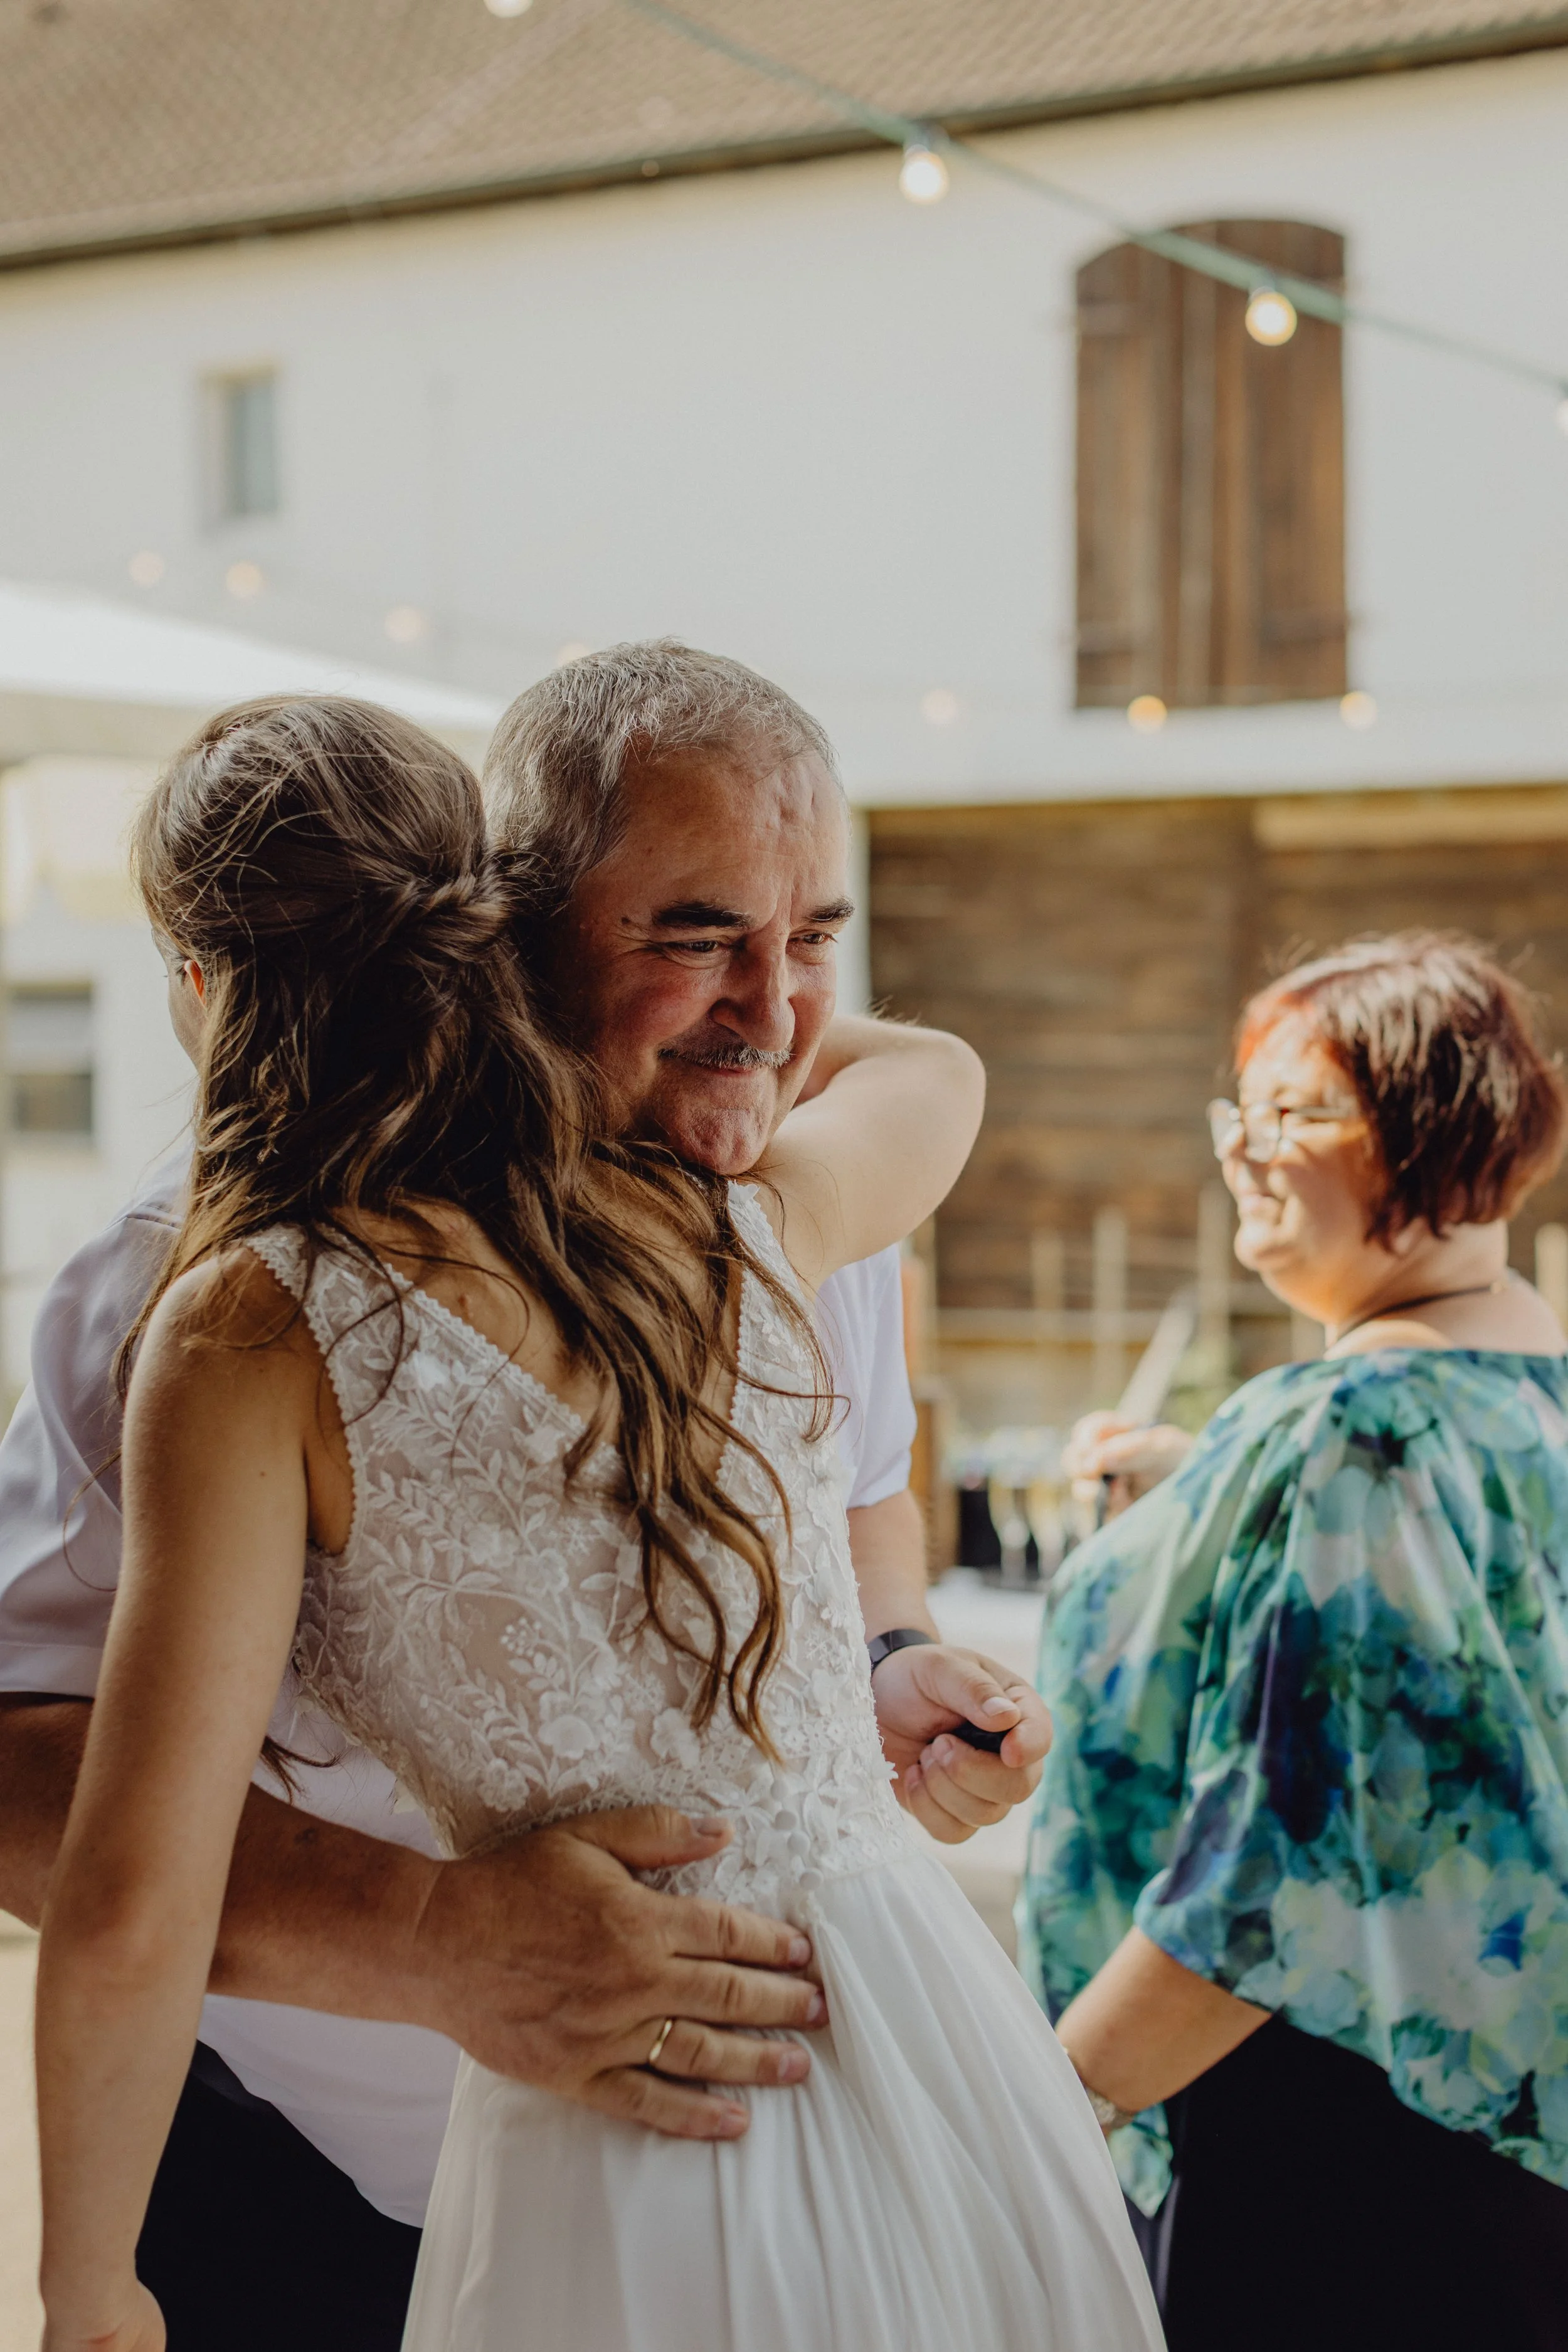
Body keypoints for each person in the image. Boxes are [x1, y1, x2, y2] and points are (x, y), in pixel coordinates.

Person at [36, 695, 1160, 2352]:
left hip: (641, 2124)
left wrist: (89, 2286)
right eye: (702, 942)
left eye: (800, 949)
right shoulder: (730, 1219)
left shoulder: (240, 1331)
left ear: (201, 988)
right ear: (508, 938)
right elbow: (934, 1073)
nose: (768, 1011)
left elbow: (129, 1902)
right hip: (933, 2061)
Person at [1019, 932, 1568, 2351]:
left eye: (1293, 1115)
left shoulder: (1349, 1435)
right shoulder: (1528, 1398)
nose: (1245, 1154)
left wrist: (1043, 2107)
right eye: (1236, 1116)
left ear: (1441, 1130)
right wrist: (1198, 1499)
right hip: (1500, 2138)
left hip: (1324, 2138)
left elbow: (1278, 1871)